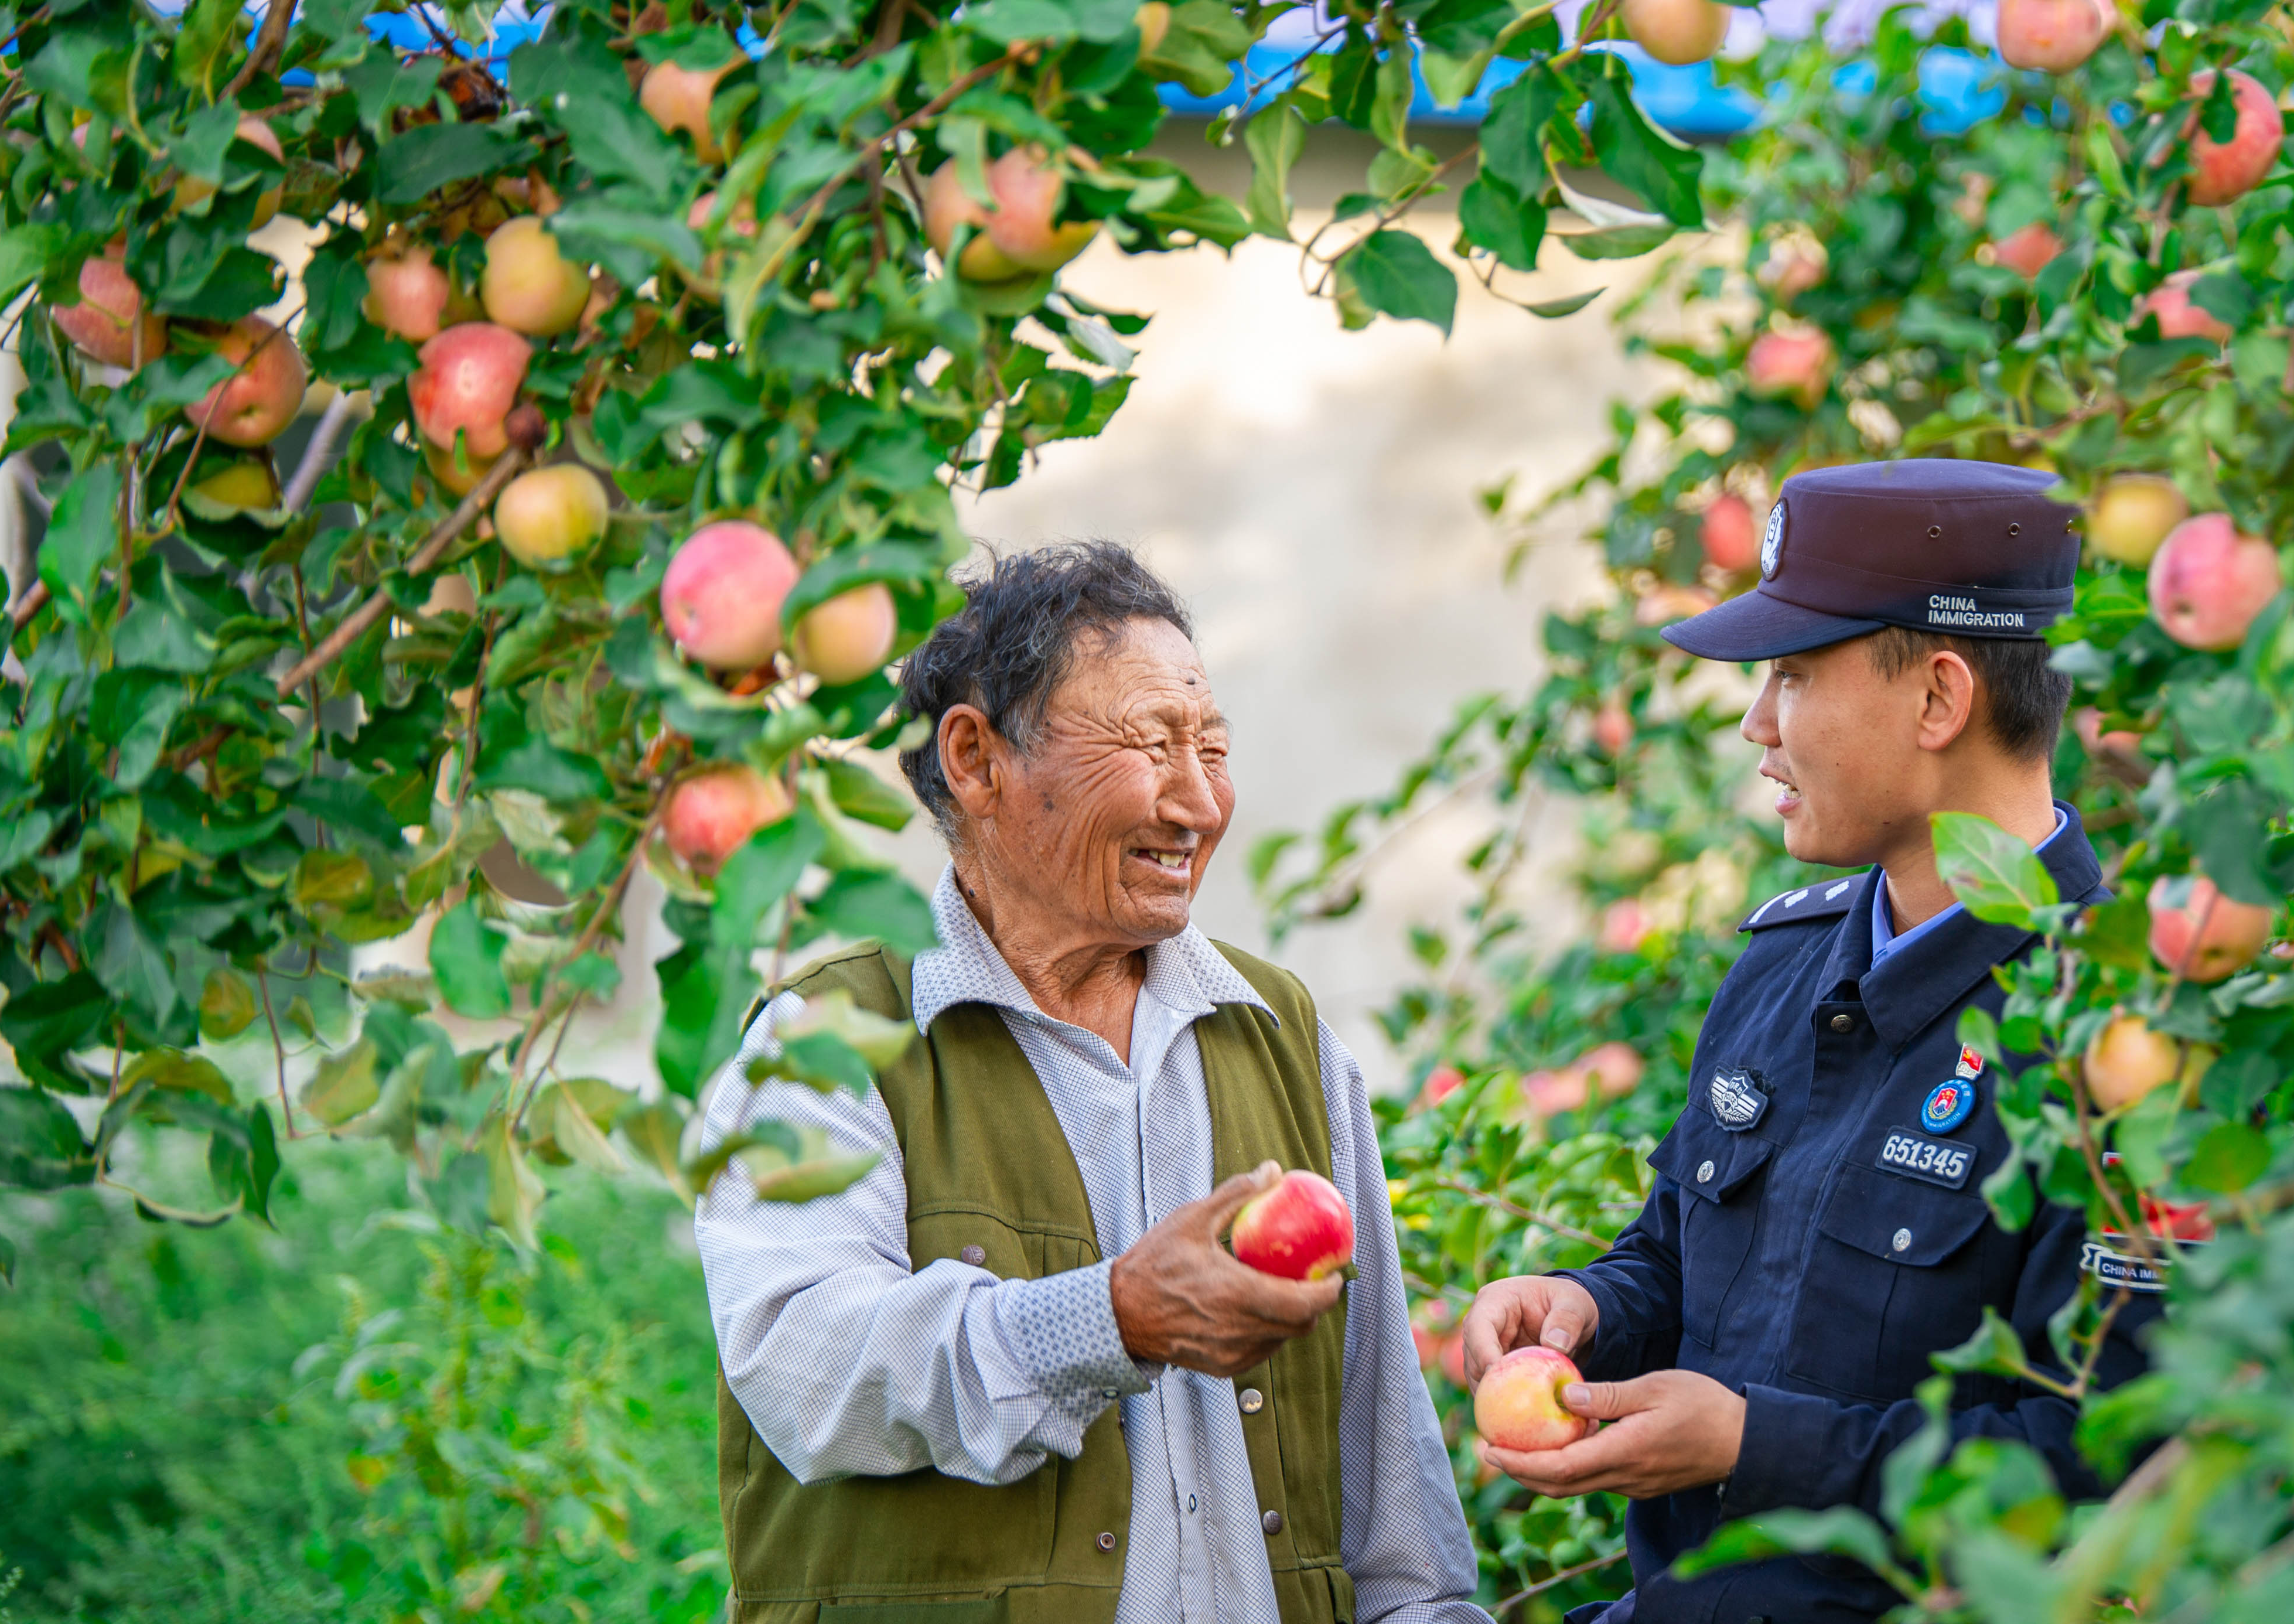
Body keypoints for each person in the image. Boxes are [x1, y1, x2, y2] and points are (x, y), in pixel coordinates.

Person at [694, 542, 1489, 1624]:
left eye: (1213, 748)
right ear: (975, 760)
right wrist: (1109, 1319)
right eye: (1153, 746)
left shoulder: (1285, 1040)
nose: (1201, 803)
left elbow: (1395, 1517)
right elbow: (810, 1370)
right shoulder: (825, 1042)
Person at [1458, 460, 2167, 1624]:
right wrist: (1585, 1306)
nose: (1755, 724)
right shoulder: (1786, 964)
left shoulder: (2122, 1035)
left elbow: (2112, 1460)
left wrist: (1754, 1444)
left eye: (1790, 677)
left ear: (1939, 700)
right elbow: (1681, 1260)